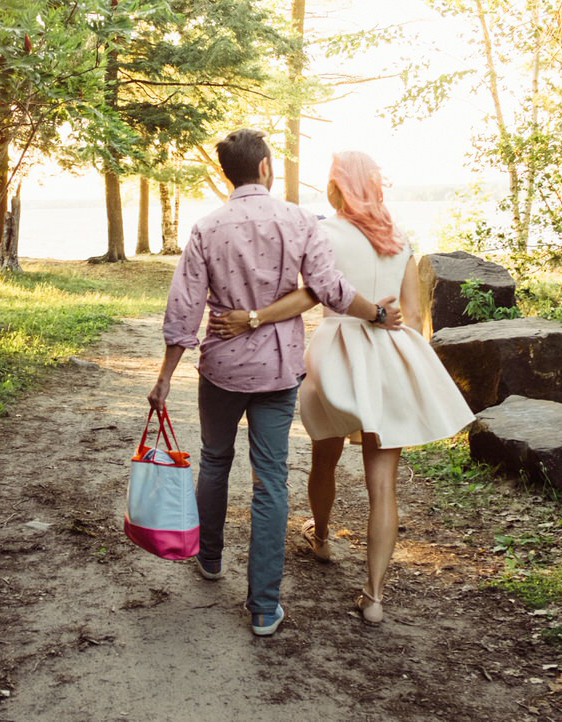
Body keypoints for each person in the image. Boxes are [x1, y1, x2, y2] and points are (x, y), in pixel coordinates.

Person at [148, 131, 403, 637]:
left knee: (216, 460)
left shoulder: (206, 228)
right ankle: (264, 607)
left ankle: (212, 558)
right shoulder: (299, 220)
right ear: (265, 168)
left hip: (220, 370)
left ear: (229, 172)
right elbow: (329, 290)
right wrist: (376, 313)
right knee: (270, 479)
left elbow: (184, 308)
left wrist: (164, 376)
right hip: (277, 371)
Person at [209, 150, 475, 626]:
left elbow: (312, 296)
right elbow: (413, 317)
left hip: (336, 362)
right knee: (383, 484)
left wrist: (254, 318)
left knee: (324, 458)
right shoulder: (399, 238)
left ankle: (323, 535)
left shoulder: (324, 233)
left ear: (336, 188)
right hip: (391, 358)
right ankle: (373, 597)